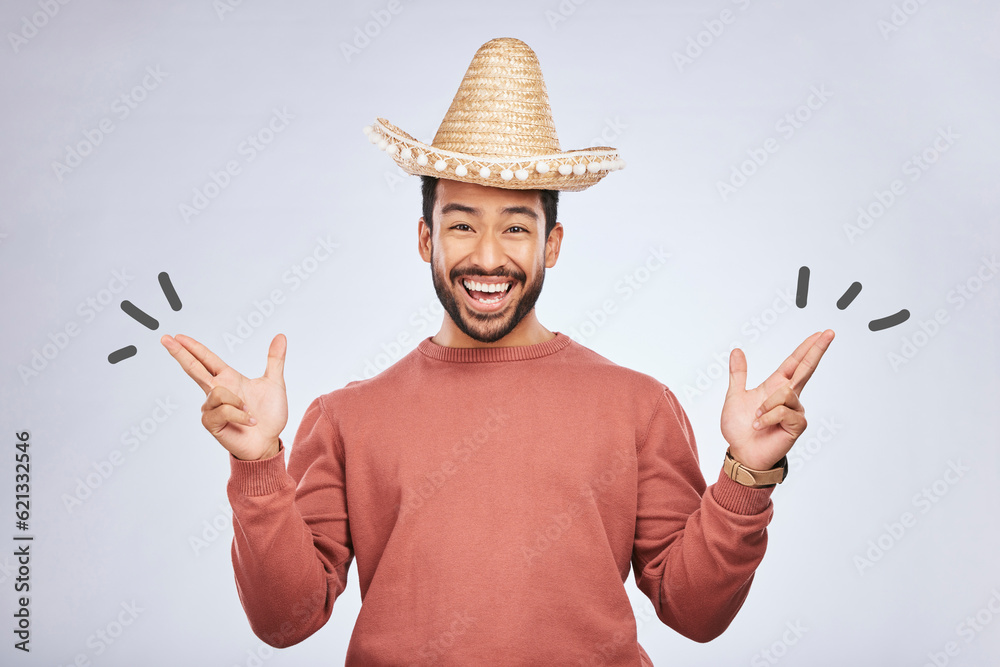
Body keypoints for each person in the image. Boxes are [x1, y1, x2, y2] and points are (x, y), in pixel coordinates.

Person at [161, 37, 834, 666]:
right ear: (425, 239)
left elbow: (694, 611)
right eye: (461, 224)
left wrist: (746, 476)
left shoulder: (638, 406)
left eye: (516, 225)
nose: (488, 256)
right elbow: (286, 620)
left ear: (552, 244)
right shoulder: (345, 418)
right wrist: (256, 464)